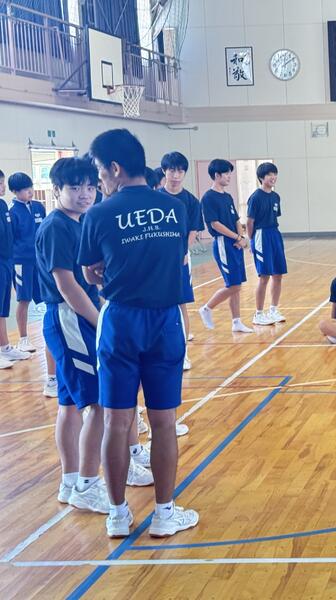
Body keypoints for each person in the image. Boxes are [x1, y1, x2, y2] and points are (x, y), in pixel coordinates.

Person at [79, 128, 198, 539]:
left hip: (120, 321)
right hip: (165, 321)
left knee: (116, 421)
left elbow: (89, 272)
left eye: (100, 171)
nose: (99, 180)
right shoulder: (175, 208)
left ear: (114, 167)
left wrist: (110, 271)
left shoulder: (98, 214)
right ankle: (164, 514)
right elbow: (177, 258)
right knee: (164, 422)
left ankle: (116, 515)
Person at [36, 157, 110, 513]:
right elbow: (67, 287)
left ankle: (70, 480)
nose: (85, 194)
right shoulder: (56, 227)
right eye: (75, 187)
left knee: (68, 405)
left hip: (77, 318)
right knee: (97, 404)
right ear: (57, 190)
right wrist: (101, 322)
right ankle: (87, 485)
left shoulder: (81, 222)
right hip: (71, 319)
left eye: (90, 187)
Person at [8, 171, 59, 392]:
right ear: (15, 192)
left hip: (40, 261)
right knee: (24, 299)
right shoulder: (13, 212)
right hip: (21, 261)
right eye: (24, 189)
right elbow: (10, 240)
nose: (29, 192)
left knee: (46, 299)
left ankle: (48, 332)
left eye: (30, 187)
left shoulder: (38, 207)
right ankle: (23, 338)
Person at [198, 159, 253, 333]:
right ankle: (206, 308)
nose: (229, 176)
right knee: (233, 285)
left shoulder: (228, 197)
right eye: (226, 173)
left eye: (230, 173)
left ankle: (236, 322)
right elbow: (215, 224)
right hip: (223, 243)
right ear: (217, 175)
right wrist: (236, 237)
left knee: (236, 284)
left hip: (235, 243)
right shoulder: (208, 198)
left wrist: (241, 237)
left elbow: (236, 219)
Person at [160, 151, 204, 369]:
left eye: (180, 171)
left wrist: (182, 253)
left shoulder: (191, 201)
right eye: (172, 170)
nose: (176, 175)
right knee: (156, 305)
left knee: (180, 305)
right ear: (164, 171)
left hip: (180, 260)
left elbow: (193, 230)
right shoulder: (154, 197)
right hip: (156, 261)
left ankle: (183, 353)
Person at [246, 162, 286, 326]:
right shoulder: (255, 197)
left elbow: (275, 217)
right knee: (264, 276)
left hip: (274, 234)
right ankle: (258, 314)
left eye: (274, 174)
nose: (273, 177)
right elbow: (250, 222)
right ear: (261, 177)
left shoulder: (276, 197)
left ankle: (273, 310)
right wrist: (251, 240)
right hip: (261, 235)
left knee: (278, 274)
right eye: (269, 174)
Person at [0, 169, 30, 368]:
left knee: (3, 307)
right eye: (0, 183)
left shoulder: (2, 205)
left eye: (2, 182)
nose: (3, 187)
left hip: (6, 261)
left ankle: (4, 347)